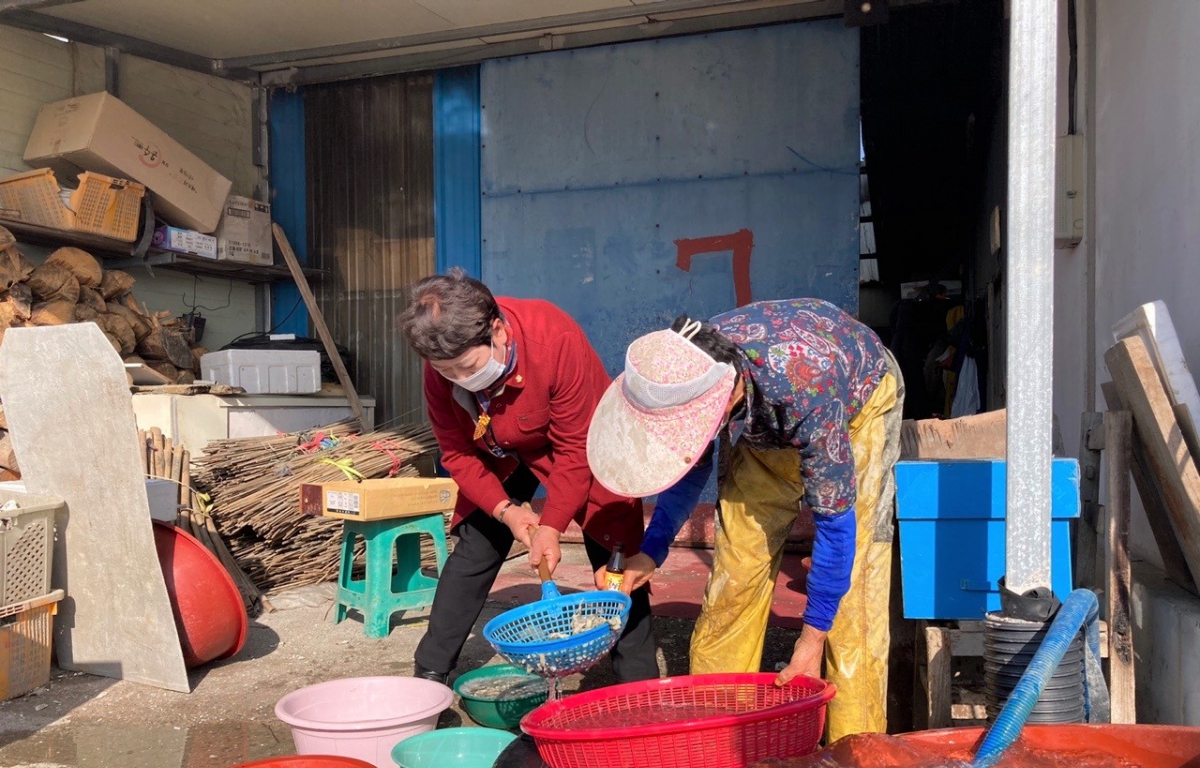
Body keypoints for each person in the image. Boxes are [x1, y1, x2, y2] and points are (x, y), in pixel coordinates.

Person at [586, 298, 904, 741]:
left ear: (730, 393)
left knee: (852, 608)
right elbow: (687, 464)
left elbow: (836, 525)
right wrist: (651, 553)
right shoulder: (697, 369)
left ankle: (855, 748)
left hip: (852, 403)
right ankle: (715, 735)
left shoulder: (806, 389)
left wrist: (810, 642)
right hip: (766, 415)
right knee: (735, 578)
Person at [397, 269, 658, 685]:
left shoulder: (553, 338)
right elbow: (457, 453)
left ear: (497, 331)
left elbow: (576, 450)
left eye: (467, 367)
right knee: (475, 550)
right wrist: (507, 512)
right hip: (496, 451)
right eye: (448, 372)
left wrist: (551, 527)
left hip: (577, 446)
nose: (459, 380)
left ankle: (638, 683)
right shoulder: (440, 366)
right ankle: (429, 674)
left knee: (616, 555)